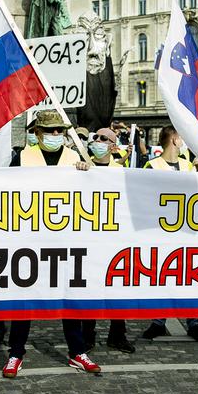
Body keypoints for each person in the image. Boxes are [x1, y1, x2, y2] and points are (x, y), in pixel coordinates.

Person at [1, 109, 99, 379]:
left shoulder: (74, 159)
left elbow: (93, 194)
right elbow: (1, 190)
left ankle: (76, 351)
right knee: (25, 298)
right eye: (51, 131)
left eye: (60, 131)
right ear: (37, 133)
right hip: (30, 240)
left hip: (66, 239)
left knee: (71, 297)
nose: (57, 135)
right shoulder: (21, 157)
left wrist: (87, 173)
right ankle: (16, 353)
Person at [140, 126, 198, 343]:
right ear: (175, 140)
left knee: (190, 276)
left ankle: (194, 321)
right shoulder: (152, 165)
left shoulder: (189, 166)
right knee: (163, 276)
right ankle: (158, 321)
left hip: (187, 230)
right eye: (182, 138)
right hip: (162, 231)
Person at [81, 127, 136, 353]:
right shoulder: (84, 165)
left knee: (117, 288)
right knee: (90, 288)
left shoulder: (120, 171)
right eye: (96, 137)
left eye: (104, 138)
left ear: (113, 146)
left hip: (115, 239)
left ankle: (117, 334)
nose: (97, 140)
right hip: (90, 239)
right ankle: (87, 335)